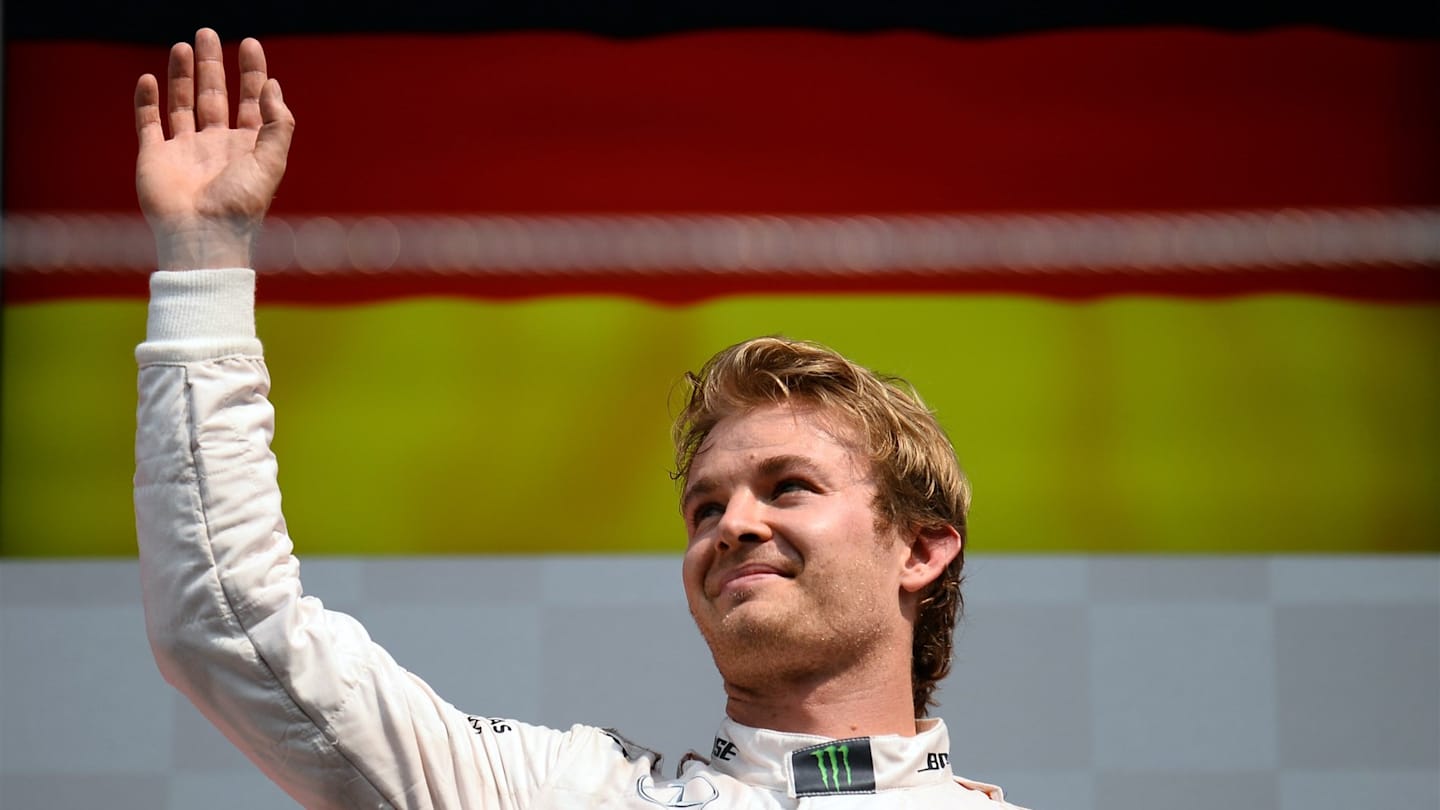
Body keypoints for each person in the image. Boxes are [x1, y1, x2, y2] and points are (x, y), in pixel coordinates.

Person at [133, 28, 1026, 809]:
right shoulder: (555, 792)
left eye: (787, 486)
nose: (732, 526)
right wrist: (204, 262)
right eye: (705, 509)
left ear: (920, 549)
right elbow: (231, 625)